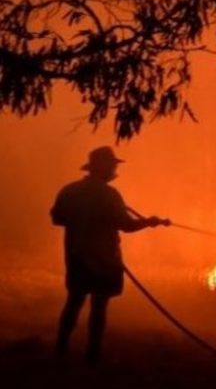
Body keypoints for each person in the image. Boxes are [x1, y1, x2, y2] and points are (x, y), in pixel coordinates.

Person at [51, 146, 169, 363]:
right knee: (99, 305)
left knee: (74, 301)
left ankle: (61, 347)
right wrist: (149, 222)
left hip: (76, 256)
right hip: (104, 260)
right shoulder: (110, 195)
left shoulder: (69, 191)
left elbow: (57, 218)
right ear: (102, 167)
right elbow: (126, 226)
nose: (115, 168)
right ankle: (93, 353)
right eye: (112, 165)